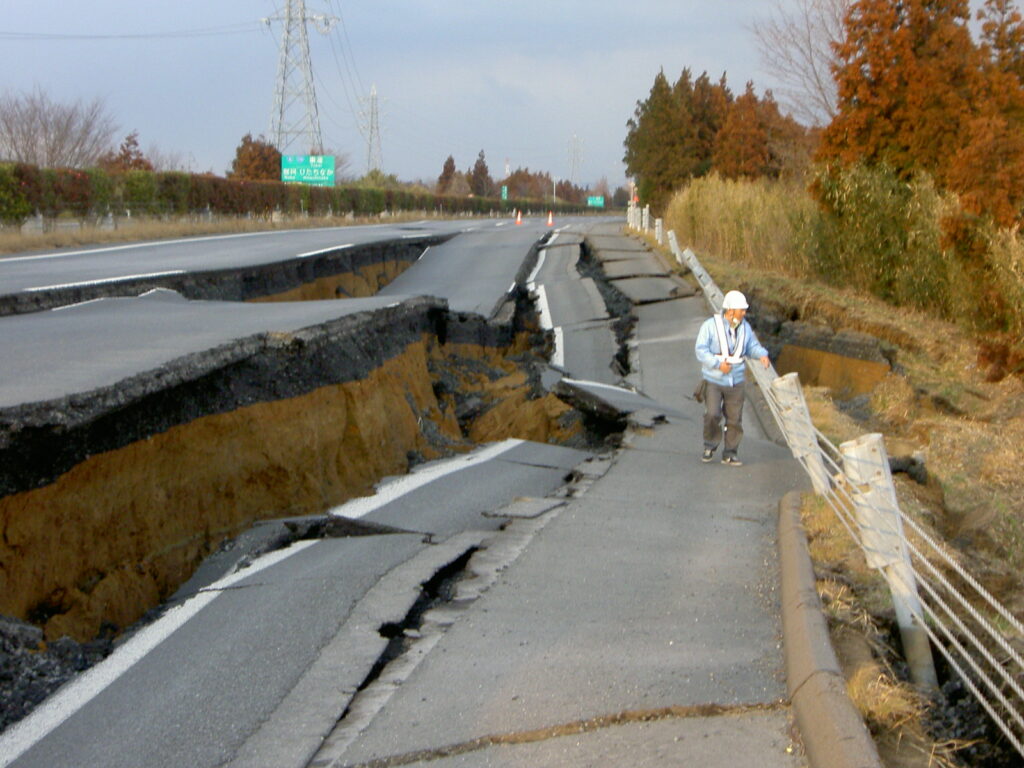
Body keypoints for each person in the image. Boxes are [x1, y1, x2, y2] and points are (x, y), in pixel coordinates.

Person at [694, 290, 771, 466]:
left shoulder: (745, 328)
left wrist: (762, 355)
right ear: (730, 310)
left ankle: (730, 453)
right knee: (712, 414)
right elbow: (701, 350)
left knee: (734, 419)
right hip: (714, 379)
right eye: (741, 310)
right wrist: (717, 364)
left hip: (736, 381)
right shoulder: (709, 326)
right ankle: (710, 445)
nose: (744, 313)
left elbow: (752, 346)